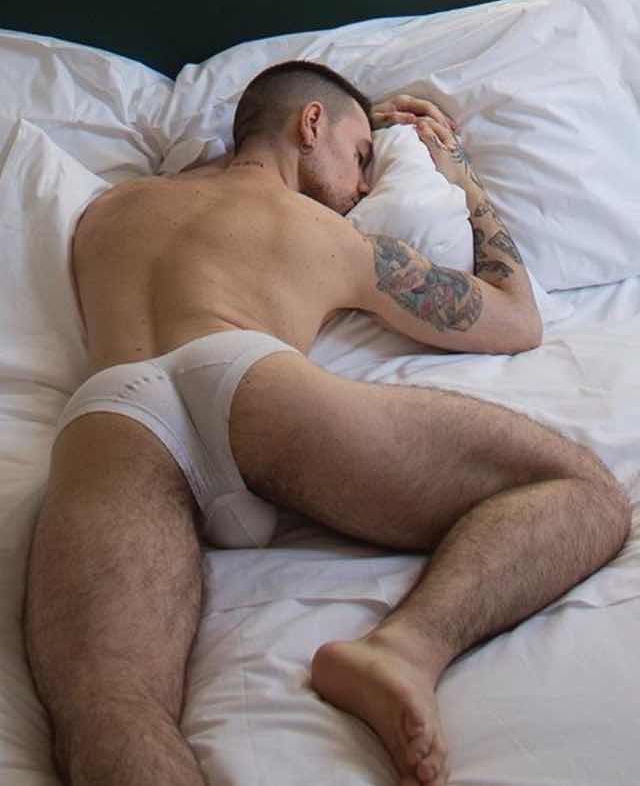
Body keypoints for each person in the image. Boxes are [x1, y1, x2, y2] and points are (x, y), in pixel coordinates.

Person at [24, 60, 630, 786]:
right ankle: (405, 647)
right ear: (311, 123)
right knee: (582, 492)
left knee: (109, 711)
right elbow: (516, 317)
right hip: (249, 377)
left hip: (111, 412)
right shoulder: (327, 234)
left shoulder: (110, 207)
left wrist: (343, 124)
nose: (366, 186)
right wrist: (460, 172)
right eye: (363, 154)